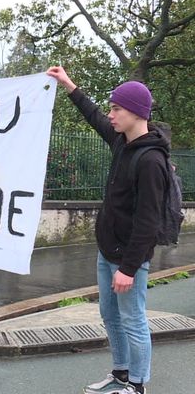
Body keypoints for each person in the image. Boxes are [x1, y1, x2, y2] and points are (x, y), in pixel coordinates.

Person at [47, 66, 167, 394]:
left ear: (135, 113)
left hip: (129, 258)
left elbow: (148, 222)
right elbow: (93, 115)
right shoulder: (120, 141)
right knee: (110, 315)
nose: (110, 114)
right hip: (107, 249)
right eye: (111, 108)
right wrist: (68, 84)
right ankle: (120, 375)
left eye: (117, 108)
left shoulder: (150, 161)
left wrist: (128, 269)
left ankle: (138, 386)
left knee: (133, 320)